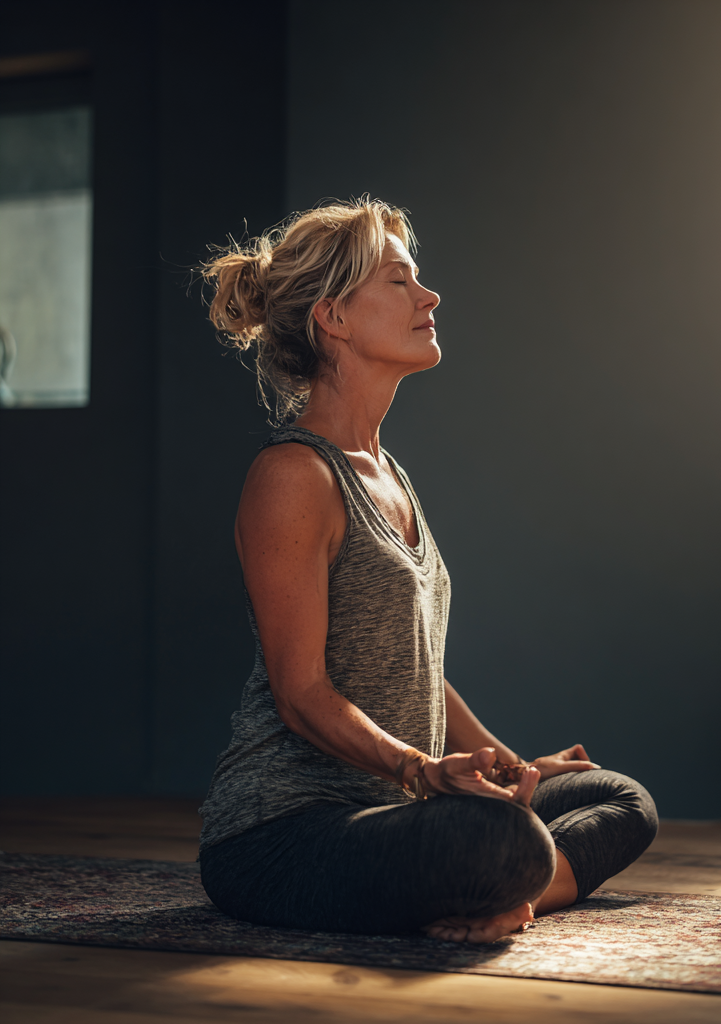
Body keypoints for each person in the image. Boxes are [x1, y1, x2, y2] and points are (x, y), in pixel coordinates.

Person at [197, 198, 658, 943]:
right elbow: (300, 690)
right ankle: (500, 884)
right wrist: (419, 771)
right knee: (497, 843)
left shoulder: (388, 473)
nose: (429, 296)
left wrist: (507, 767)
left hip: (405, 809)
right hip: (285, 831)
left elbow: (415, 667)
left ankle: (507, 899)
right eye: (400, 282)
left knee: (619, 800)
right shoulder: (292, 475)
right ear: (334, 317)